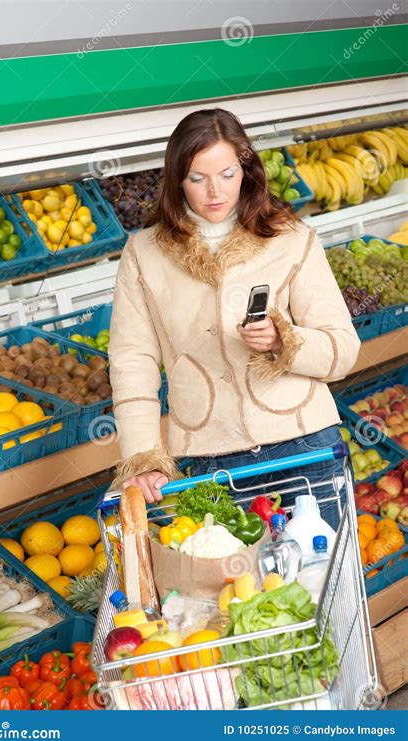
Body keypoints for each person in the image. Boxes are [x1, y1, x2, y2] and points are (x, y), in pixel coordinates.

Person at [108, 108, 359, 519]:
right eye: (197, 179)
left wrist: (285, 341)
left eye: (227, 174)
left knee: (323, 577)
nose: (215, 192)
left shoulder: (291, 238)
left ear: (246, 169)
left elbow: (343, 350)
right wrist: (144, 457)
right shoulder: (143, 254)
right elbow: (131, 360)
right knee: (227, 583)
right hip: (209, 462)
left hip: (305, 448)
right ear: (177, 180)